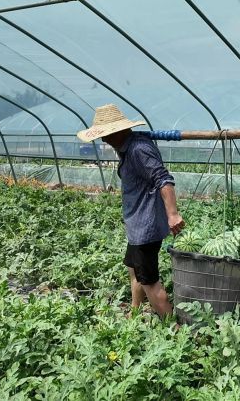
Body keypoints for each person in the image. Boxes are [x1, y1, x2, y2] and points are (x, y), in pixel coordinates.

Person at [78, 104, 184, 318]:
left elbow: (163, 179)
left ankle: (174, 329)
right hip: (137, 226)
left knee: (149, 281)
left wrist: (173, 214)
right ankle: (134, 313)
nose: (103, 139)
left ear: (119, 131)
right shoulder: (127, 148)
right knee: (134, 268)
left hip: (145, 228)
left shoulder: (138, 150)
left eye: (106, 134)